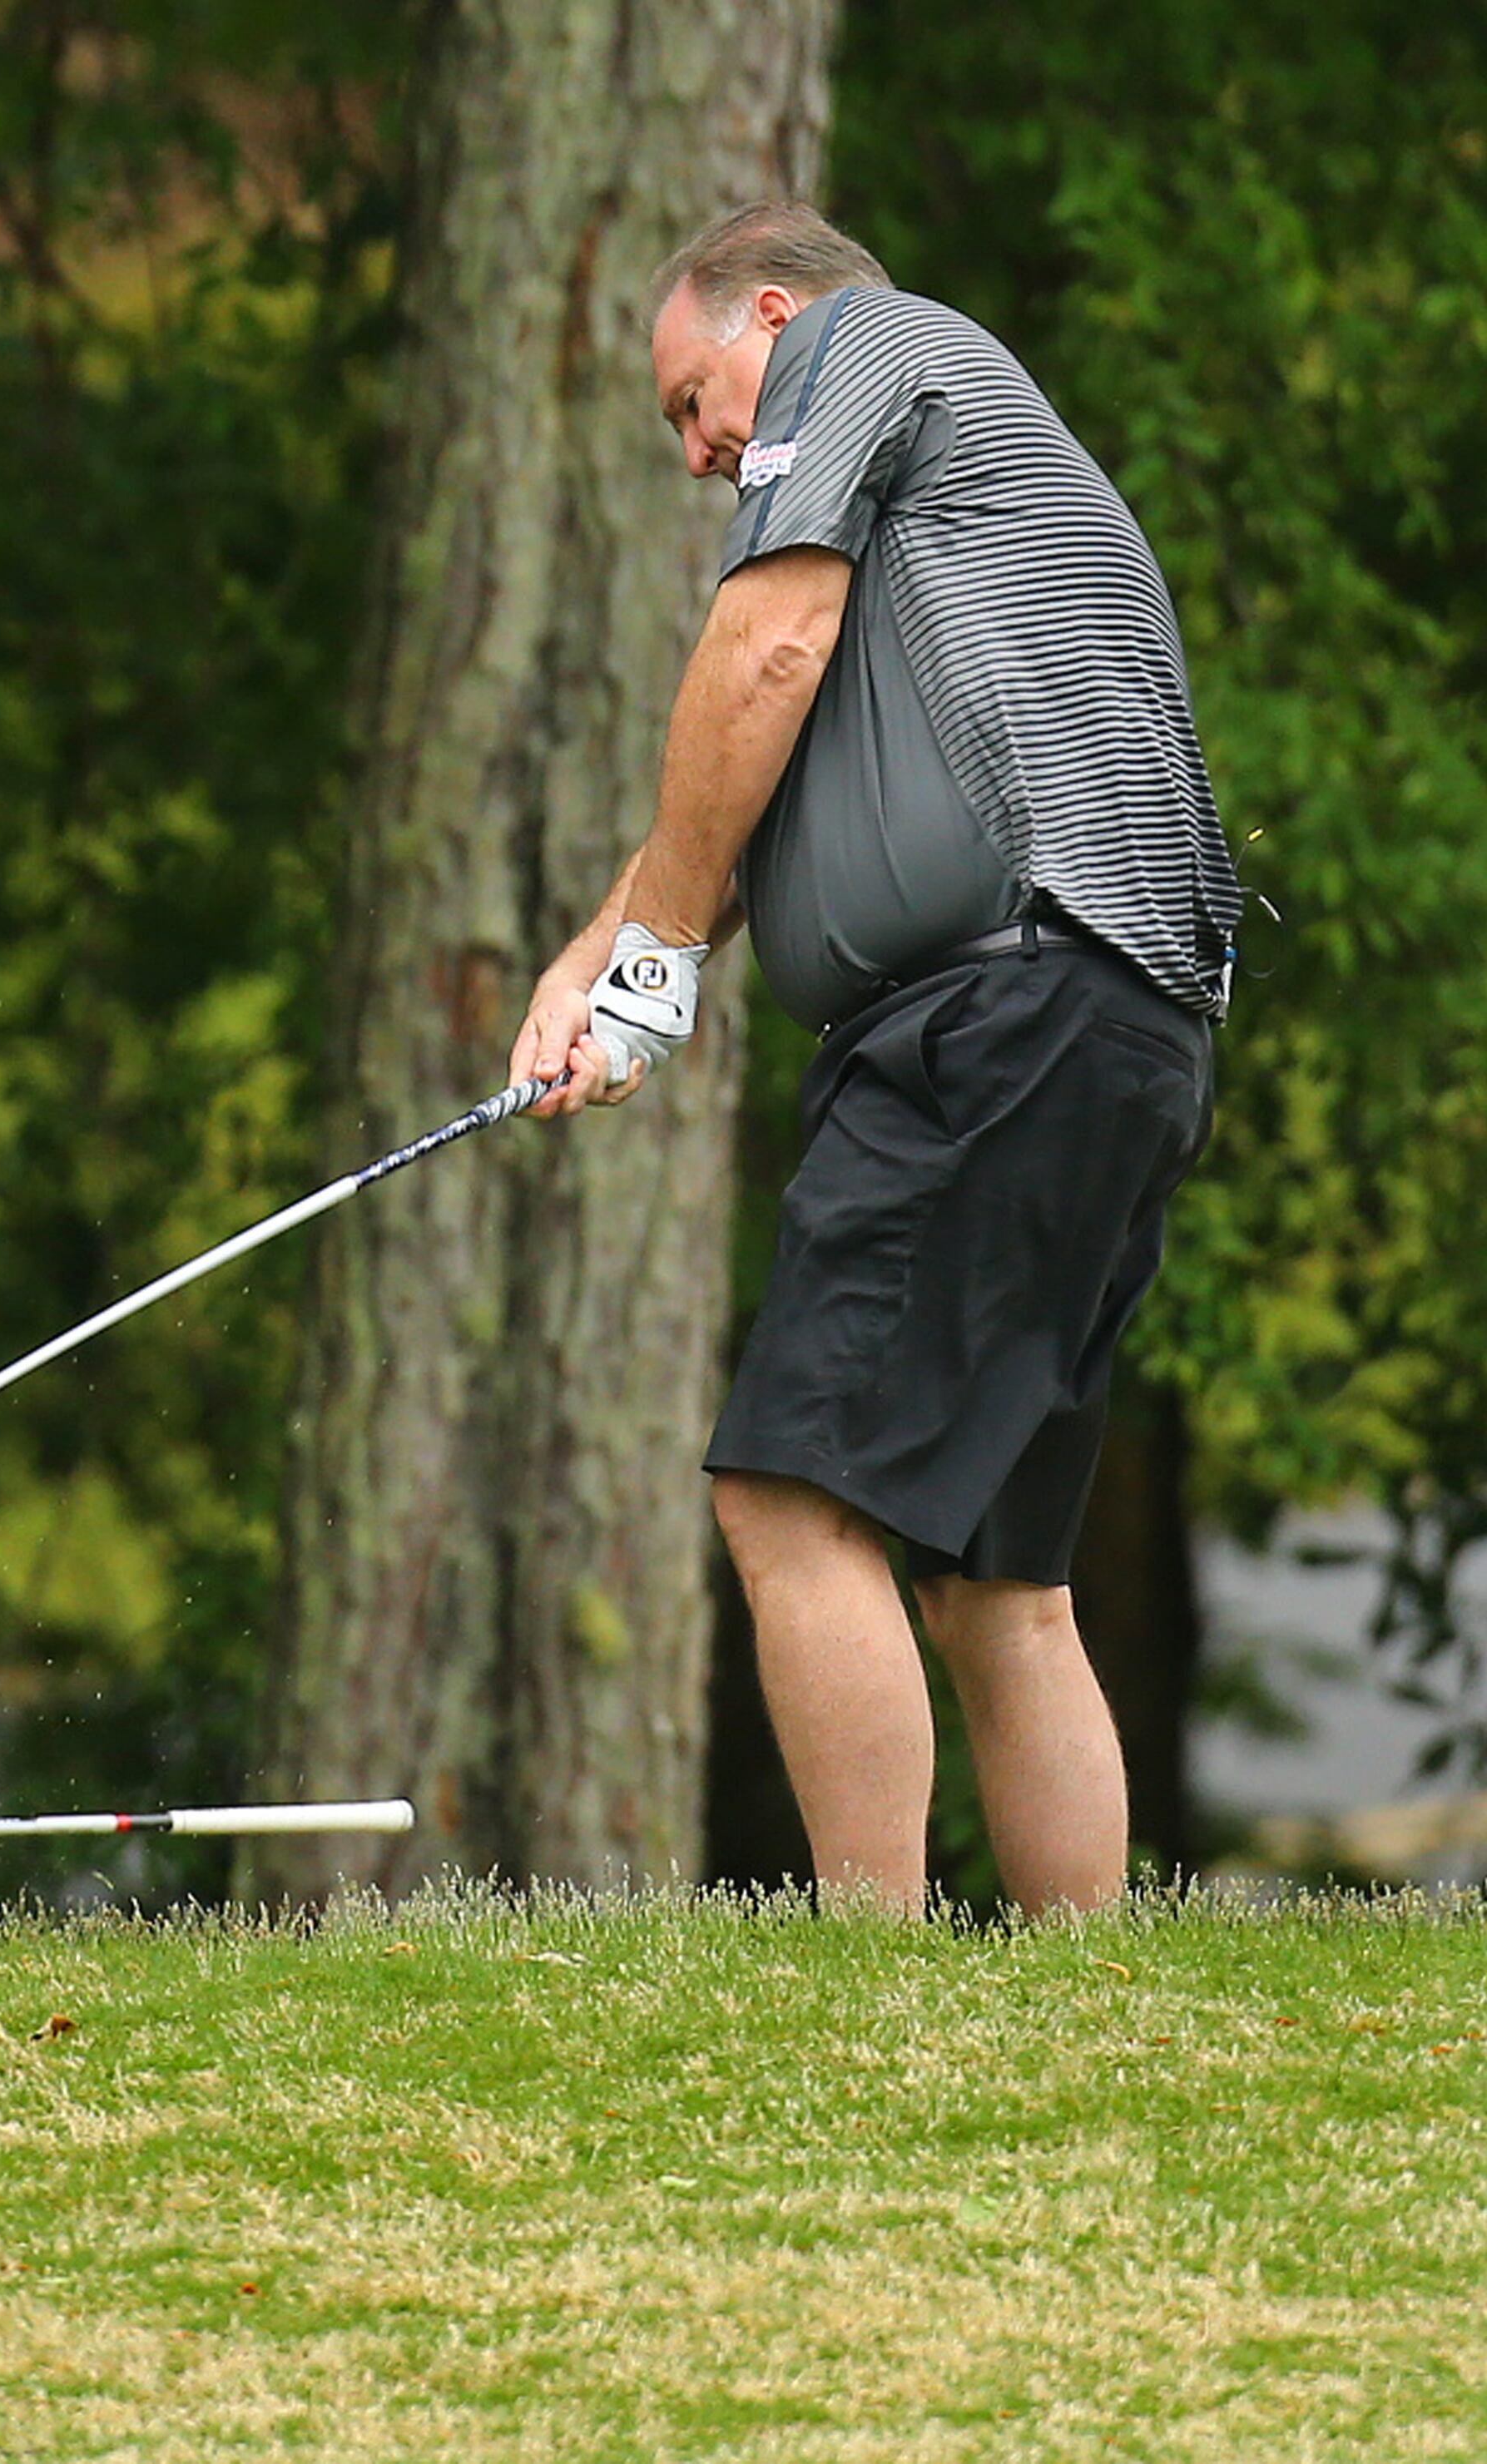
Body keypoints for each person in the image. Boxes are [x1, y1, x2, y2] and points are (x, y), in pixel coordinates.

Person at [510, 202, 1241, 1914]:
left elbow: (762, 646)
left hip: (993, 1018)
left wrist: (661, 965)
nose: (698, 452)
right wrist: (591, 966)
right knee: (1005, 1577)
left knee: (789, 1497)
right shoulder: (937, 508)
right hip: (1111, 1021)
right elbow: (758, 748)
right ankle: (1083, 1995)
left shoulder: (865, 349)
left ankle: (864, 1994)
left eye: (693, 401)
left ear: (772, 312)